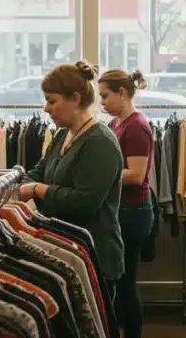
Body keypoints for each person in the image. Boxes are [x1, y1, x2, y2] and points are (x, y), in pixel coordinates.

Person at [19, 60, 125, 285]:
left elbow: (83, 202)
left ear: (76, 99)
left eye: (52, 101)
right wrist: (24, 186)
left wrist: (37, 189)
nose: (46, 108)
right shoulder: (62, 136)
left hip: (95, 257)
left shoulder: (100, 142)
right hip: (67, 252)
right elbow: (37, 172)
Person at [98, 68, 155, 338]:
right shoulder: (116, 124)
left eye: (106, 96)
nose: (102, 102)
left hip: (133, 214)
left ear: (122, 93)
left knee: (126, 282)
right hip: (122, 211)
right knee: (118, 281)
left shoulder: (136, 128)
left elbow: (136, 175)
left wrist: (98, 175)